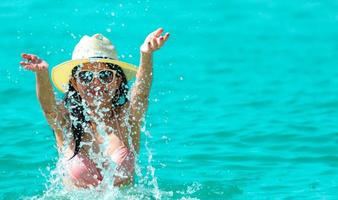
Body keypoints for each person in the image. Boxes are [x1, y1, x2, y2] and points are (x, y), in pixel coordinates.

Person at [19, 28, 170, 188]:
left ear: (118, 80)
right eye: (86, 76)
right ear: (75, 84)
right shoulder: (68, 123)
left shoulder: (127, 120)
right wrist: (42, 75)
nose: (96, 83)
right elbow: (49, 109)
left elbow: (140, 97)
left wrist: (146, 55)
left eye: (105, 75)